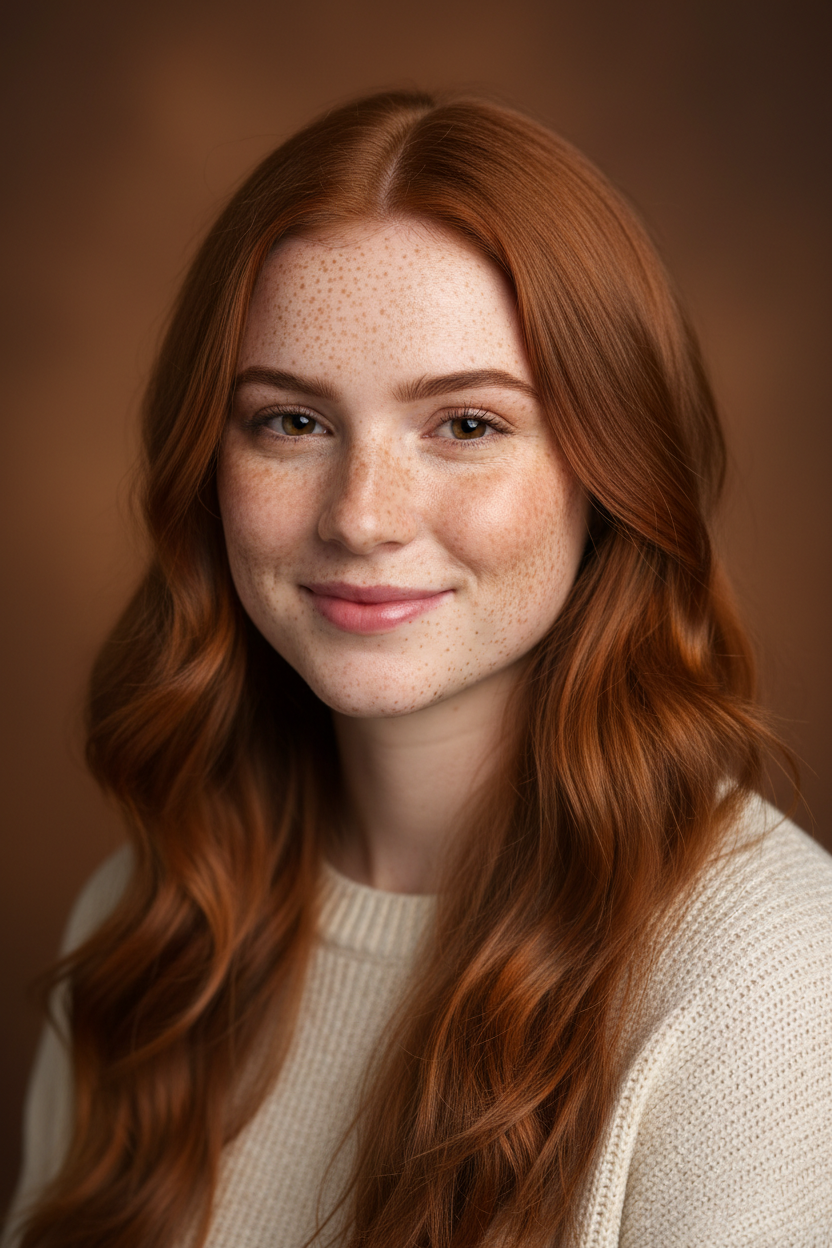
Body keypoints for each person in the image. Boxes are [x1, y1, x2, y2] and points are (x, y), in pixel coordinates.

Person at [3, 89, 831, 1248]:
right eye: (291, 422)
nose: (363, 518)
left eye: (467, 426)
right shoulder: (149, 916)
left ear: (611, 469)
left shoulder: (772, 984)